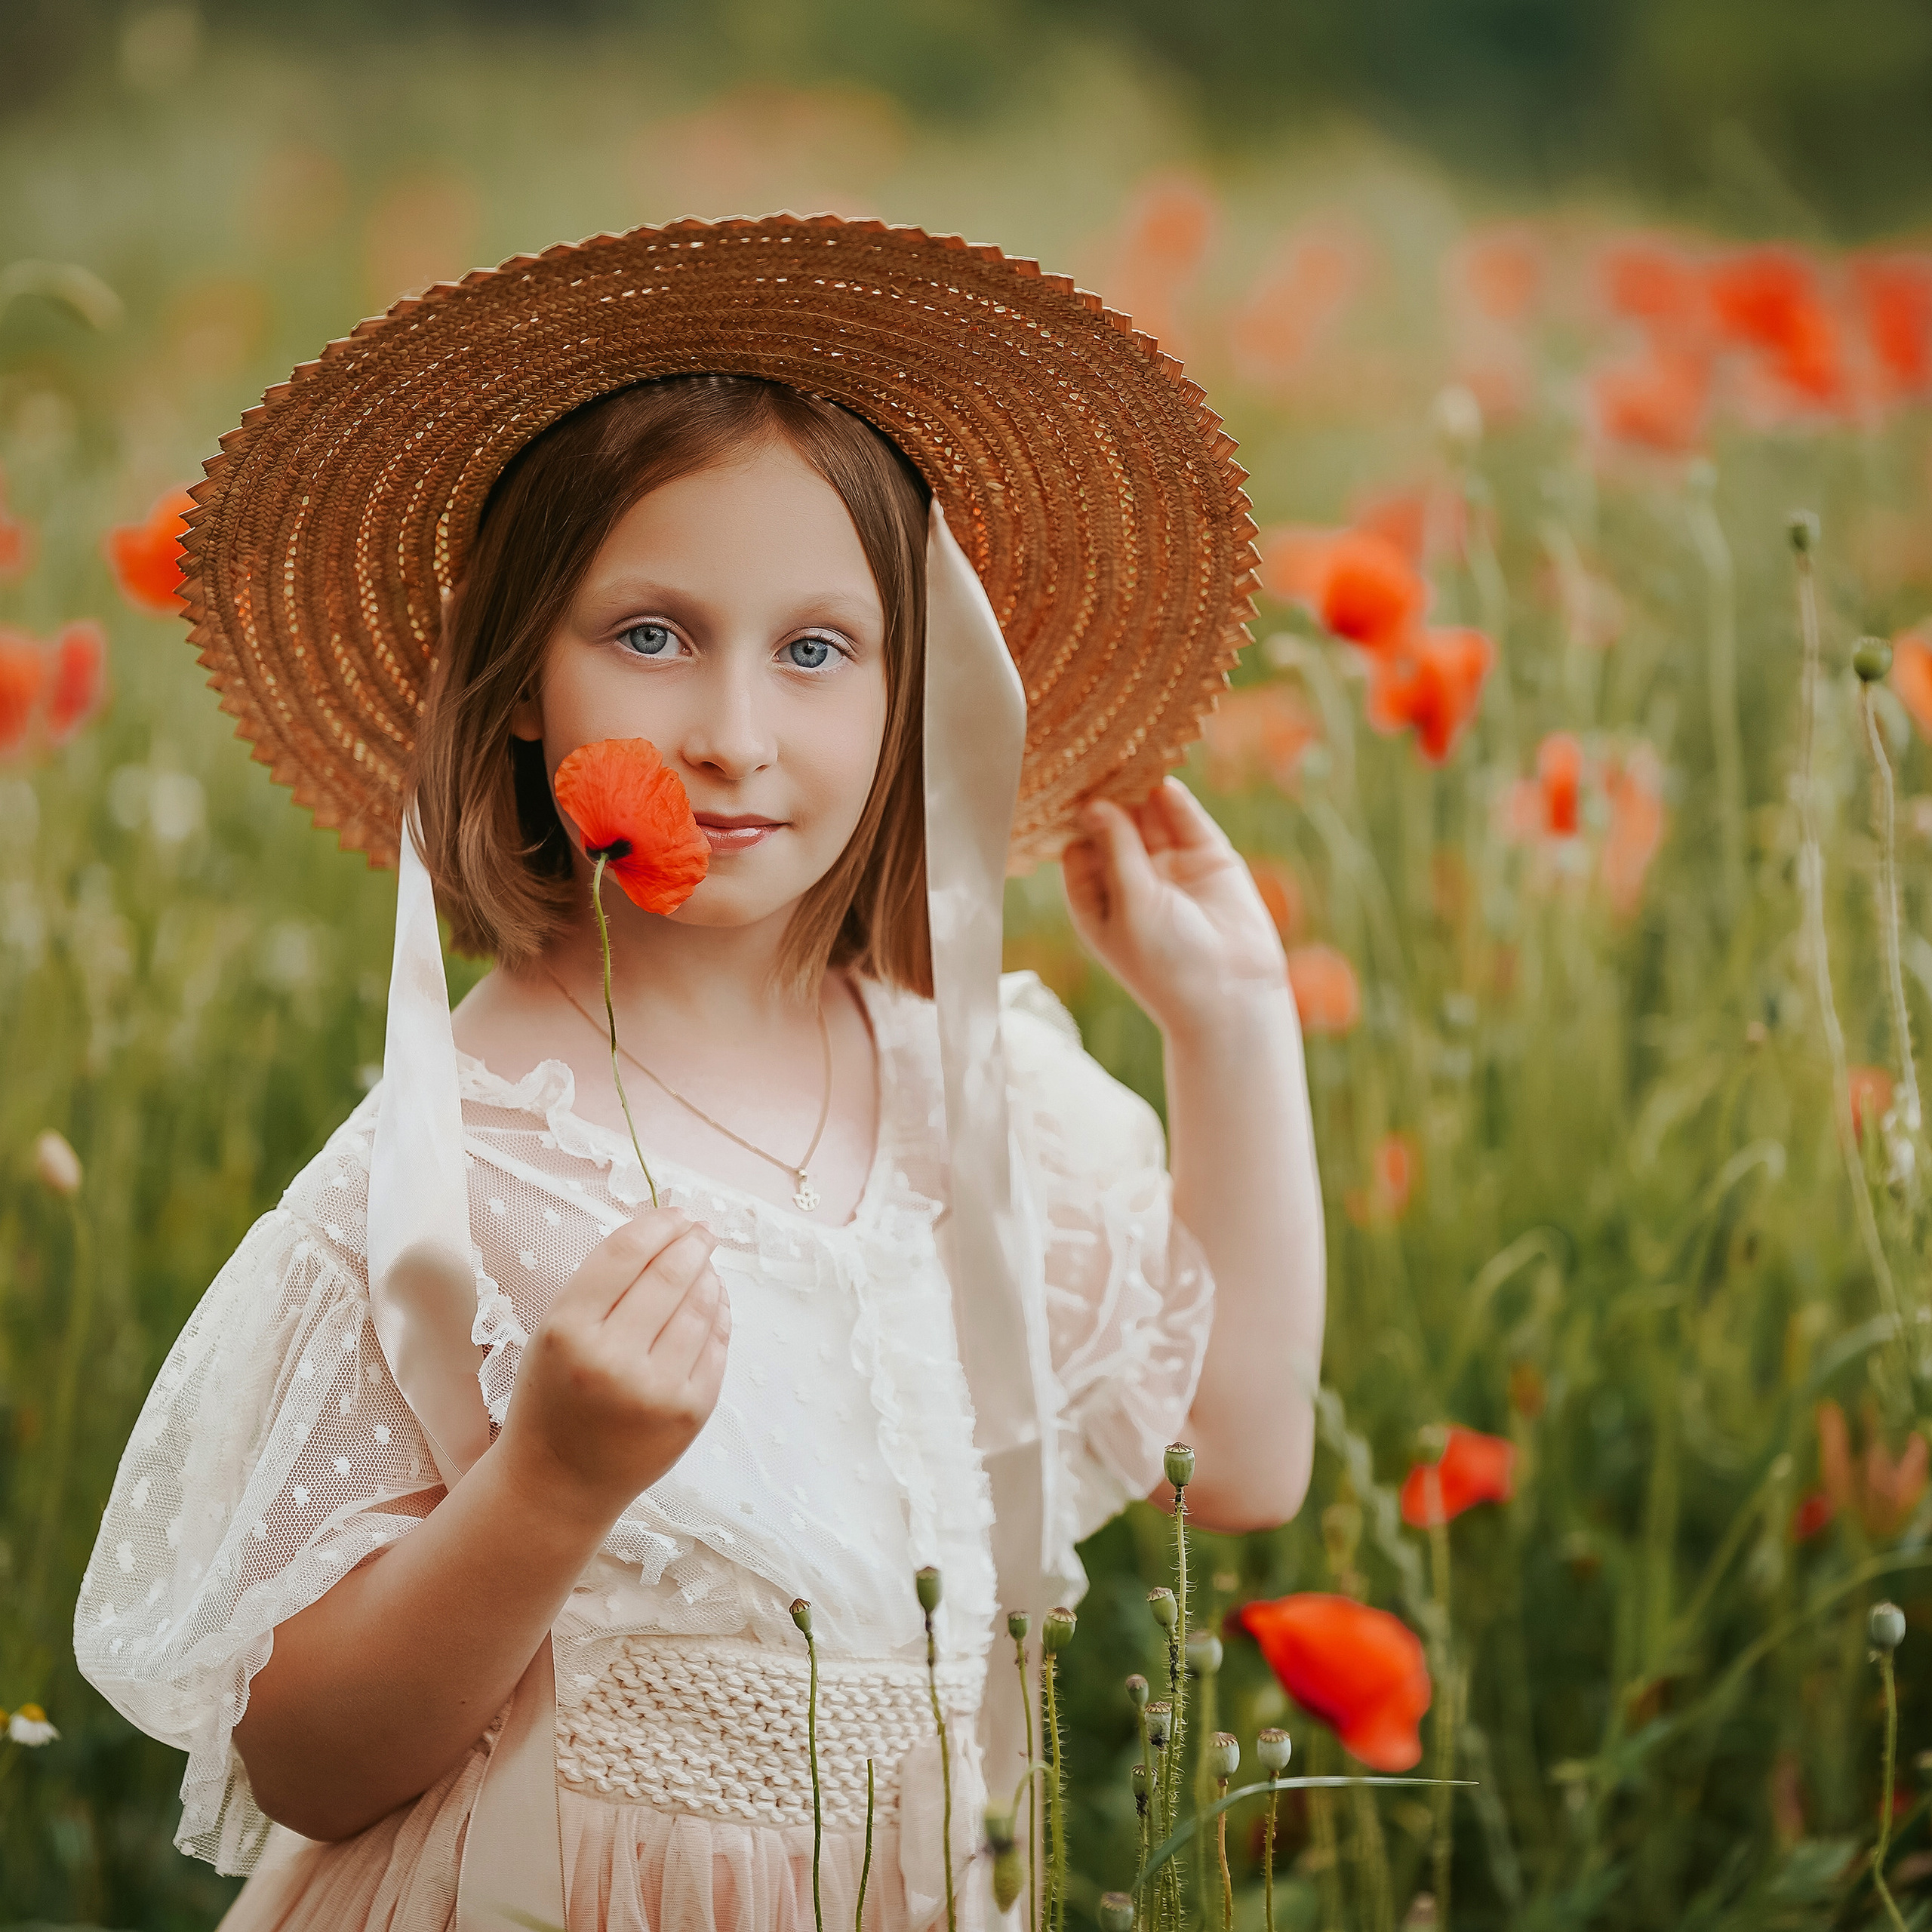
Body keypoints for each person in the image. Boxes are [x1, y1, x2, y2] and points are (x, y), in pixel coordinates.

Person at [75, 217, 1324, 1931]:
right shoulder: (451, 1172)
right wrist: (550, 1483)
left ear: (911, 701)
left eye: (816, 650)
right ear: (515, 682)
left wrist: (1232, 1023)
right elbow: (307, 1759)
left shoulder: (968, 1098)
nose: (733, 729)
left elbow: (1238, 1458)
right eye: (651, 634)